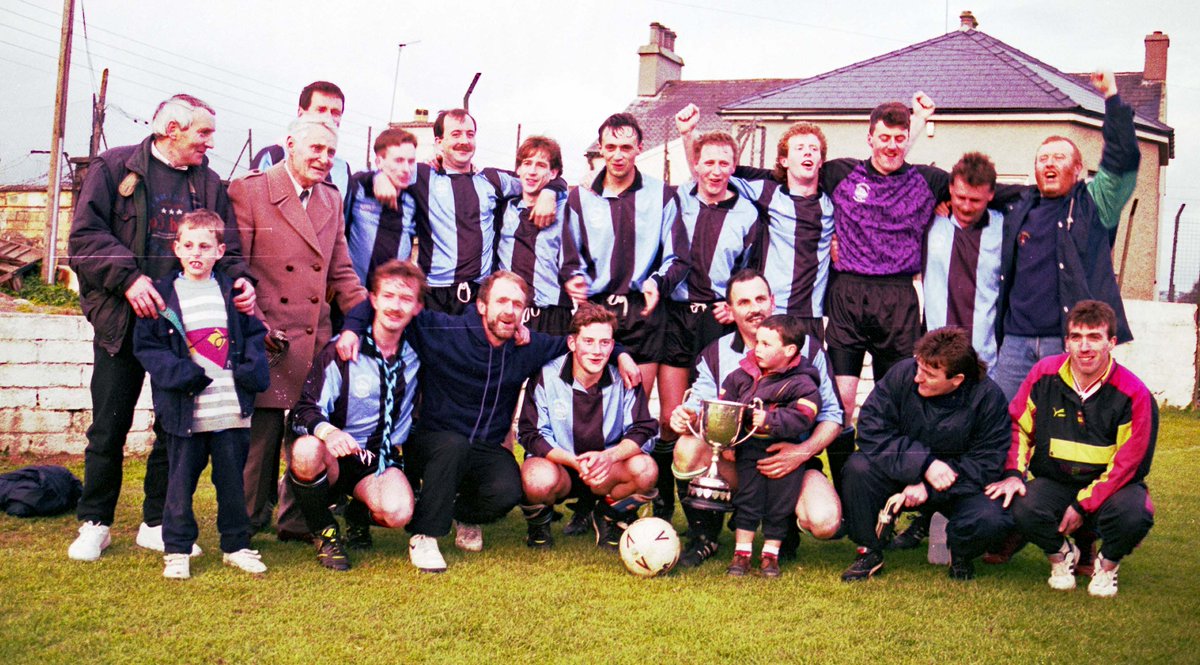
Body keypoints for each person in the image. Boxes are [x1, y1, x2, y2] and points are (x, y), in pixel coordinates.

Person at [339, 271, 640, 572]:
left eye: (517, 304)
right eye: (502, 301)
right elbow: (388, 308)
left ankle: (462, 515)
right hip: (432, 442)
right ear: (482, 305)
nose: (509, 310)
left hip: (484, 447)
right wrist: (352, 328)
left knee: (507, 489)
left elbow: (582, 344)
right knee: (453, 446)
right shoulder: (445, 330)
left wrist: (623, 354)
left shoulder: (527, 346)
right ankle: (426, 535)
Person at [67, 93, 256, 561]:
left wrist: (242, 282)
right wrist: (129, 280)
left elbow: (225, 249)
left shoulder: (210, 183)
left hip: (184, 328)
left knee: (174, 428)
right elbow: (84, 239)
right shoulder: (114, 169)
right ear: (173, 130)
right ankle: (96, 522)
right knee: (109, 425)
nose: (210, 144)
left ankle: (155, 521)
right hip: (122, 322)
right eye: (203, 134)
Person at [229, 117, 368, 540]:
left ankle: (297, 521)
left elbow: (341, 270)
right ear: (290, 144)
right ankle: (246, 522)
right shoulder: (250, 190)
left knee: (307, 433)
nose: (325, 159)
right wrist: (258, 326)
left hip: (314, 335)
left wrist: (360, 319)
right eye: (316, 149)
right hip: (266, 335)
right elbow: (239, 270)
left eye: (331, 152)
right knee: (262, 438)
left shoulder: (331, 198)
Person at [669, 270, 844, 568]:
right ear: (730, 310)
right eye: (745, 301)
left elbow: (833, 416)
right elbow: (700, 405)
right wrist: (684, 415)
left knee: (824, 521)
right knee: (687, 449)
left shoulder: (808, 348)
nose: (755, 308)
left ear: (773, 301)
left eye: (761, 298)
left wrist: (800, 453)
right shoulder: (716, 353)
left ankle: (784, 527)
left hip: (793, 462)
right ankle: (704, 535)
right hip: (738, 459)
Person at [131, 211, 270, 579]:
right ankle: (176, 549)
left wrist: (250, 372)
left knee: (231, 484)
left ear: (220, 251)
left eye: (205, 246)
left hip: (230, 411)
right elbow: (148, 347)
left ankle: (236, 545)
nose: (196, 253)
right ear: (176, 248)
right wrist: (184, 375)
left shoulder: (231, 293)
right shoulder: (163, 295)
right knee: (179, 484)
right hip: (186, 412)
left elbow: (255, 337)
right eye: (188, 245)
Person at [986, 300, 1156, 597]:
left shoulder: (1134, 393)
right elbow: (1018, 426)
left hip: (1110, 490)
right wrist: (1014, 473)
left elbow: (1129, 463)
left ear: (1111, 343)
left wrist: (1083, 505)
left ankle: (1107, 566)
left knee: (1136, 514)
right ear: (1066, 342)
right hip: (1057, 482)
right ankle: (1060, 556)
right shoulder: (1043, 374)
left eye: (1094, 337)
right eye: (1076, 337)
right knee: (1020, 501)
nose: (1084, 347)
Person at [991, 71, 1140, 401]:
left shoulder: (1094, 203)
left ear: (1077, 169)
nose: (1049, 163)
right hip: (1014, 343)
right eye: (1043, 158)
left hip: (1067, 341)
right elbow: (973, 188)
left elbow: (1122, 158)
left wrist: (1112, 98)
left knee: (1062, 427)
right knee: (1002, 426)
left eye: (1059, 157)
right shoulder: (1019, 204)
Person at [840, 328, 1012, 582]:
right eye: (918, 367)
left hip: (957, 483)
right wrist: (924, 464)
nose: (917, 378)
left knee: (993, 516)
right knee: (858, 467)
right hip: (903, 471)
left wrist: (929, 487)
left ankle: (961, 551)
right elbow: (870, 428)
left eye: (929, 374)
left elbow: (987, 463)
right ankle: (869, 549)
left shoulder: (989, 398)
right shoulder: (903, 373)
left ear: (957, 379)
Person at [650, 128, 761, 522]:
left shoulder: (747, 213)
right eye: (708, 162)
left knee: (719, 420)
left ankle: (707, 512)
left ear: (734, 166)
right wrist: (687, 134)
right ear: (695, 165)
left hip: (717, 321)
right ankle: (664, 503)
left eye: (724, 163)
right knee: (671, 418)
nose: (715, 170)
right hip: (677, 316)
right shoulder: (677, 199)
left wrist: (733, 308)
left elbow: (749, 272)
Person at [286, 260, 423, 571]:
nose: (395, 306)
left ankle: (357, 511)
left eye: (405, 299)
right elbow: (303, 409)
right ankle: (325, 533)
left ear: (417, 307)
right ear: (372, 300)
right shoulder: (342, 350)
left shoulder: (418, 354)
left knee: (398, 511)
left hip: (377, 460)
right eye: (388, 296)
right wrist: (329, 433)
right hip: (335, 455)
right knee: (306, 450)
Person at [372, 109, 563, 314]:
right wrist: (380, 177)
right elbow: (384, 170)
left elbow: (539, 178)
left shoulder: (492, 179)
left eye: (470, 134)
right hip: (434, 294)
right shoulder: (422, 175)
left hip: (479, 295)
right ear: (438, 142)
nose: (464, 140)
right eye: (455, 134)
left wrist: (551, 192)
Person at [677, 106, 831, 338]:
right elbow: (710, 176)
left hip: (811, 314)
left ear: (821, 161)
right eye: (799, 148)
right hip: (768, 312)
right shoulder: (767, 192)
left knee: (809, 374)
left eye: (813, 149)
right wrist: (688, 135)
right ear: (784, 160)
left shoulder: (833, 203)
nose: (807, 153)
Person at [518, 303, 659, 550]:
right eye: (589, 341)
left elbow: (643, 429)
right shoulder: (546, 375)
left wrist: (609, 456)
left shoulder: (625, 376)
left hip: (606, 469)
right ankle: (539, 527)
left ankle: (608, 514)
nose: (597, 351)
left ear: (613, 346)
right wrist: (573, 460)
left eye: (604, 343)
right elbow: (530, 433)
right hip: (561, 465)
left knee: (646, 469)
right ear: (572, 343)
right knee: (535, 477)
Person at [722, 315, 821, 578]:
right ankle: (741, 554)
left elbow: (804, 416)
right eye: (757, 342)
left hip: (785, 451)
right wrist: (729, 440)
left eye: (767, 344)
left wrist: (771, 420)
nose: (758, 349)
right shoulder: (741, 375)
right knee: (748, 498)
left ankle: (770, 555)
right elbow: (726, 405)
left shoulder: (804, 383)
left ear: (790, 351)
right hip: (749, 449)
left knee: (780, 503)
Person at [496, 135, 586, 337]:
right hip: (510, 313)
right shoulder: (503, 208)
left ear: (553, 172)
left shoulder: (567, 211)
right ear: (518, 169)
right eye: (527, 163)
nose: (532, 171)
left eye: (541, 165)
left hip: (551, 314)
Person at [251, 81, 353, 200]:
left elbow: (343, 216)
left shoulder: (342, 170)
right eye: (321, 110)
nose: (328, 118)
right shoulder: (272, 157)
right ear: (301, 114)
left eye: (335, 113)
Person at [344, 128, 419, 287]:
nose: (406, 169)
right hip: (353, 294)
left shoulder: (414, 199)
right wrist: (376, 177)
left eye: (411, 161)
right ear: (379, 162)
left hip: (392, 298)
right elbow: (358, 176)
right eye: (398, 160)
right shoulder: (359, 187)